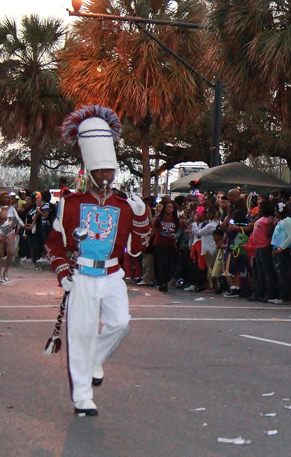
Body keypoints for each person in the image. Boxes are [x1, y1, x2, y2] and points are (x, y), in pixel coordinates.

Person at [45, 105, 151, 416]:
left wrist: (142, 216)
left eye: (110, 171)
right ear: (90, 172)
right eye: (101, 171)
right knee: (80, 334)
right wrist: (63, 273)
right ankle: (82, 396)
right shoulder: (71, 204)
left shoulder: (125, 205)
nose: (106, 177)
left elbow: (138, 247)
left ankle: (95, 360)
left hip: (113, 274)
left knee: (120, 323)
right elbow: (54, 244)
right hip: (82, 276)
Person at [152, 200, 179, 292]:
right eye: (168, 207)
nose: (169, 209)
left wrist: (175, 235)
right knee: (162, 263)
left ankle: (167, 281)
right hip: (160, 243)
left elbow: (179, 230)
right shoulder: (159, 218)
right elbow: (154, 230)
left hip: (171, 244)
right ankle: (162, 282)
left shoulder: (175, 220)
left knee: (170, 264)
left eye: (171, 208)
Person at [0, 191, 25, 284]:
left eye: (7, 197)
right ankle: (0, 275)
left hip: (10, 231)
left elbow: (18, 219)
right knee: (0, 254)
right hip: (0, 231)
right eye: (4, 197)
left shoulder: (12, 209)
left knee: (11, 252)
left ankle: (5, 272)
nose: (5, 199)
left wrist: (24, 226)